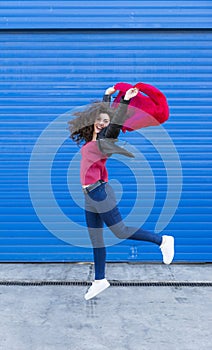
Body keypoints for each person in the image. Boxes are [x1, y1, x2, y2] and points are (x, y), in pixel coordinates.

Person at [68, 86, 174, 300]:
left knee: (120, 230)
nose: (102, 123)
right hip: (89, 195)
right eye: (99, 119)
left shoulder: (106, 141)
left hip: (100, 193)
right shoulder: (93, 140)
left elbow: (115, 123)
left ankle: (163, 240)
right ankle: (99, 280)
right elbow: (105, 111)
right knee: (96, 239)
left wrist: (124, 100)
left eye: (106, 122)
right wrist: (107, 96)